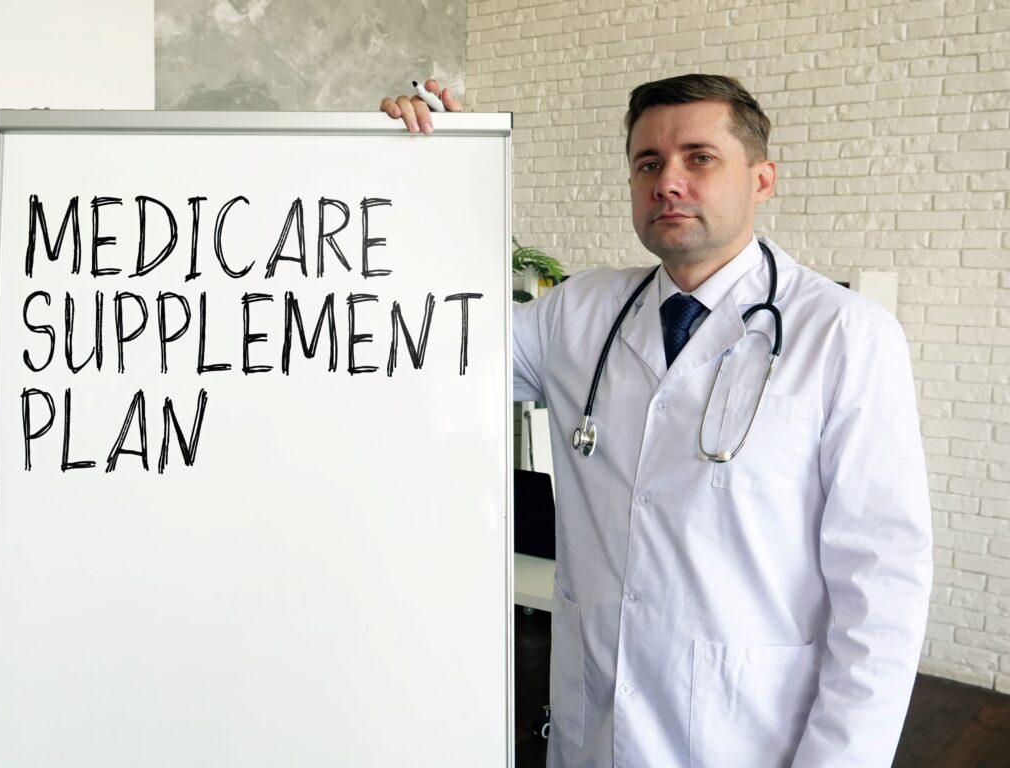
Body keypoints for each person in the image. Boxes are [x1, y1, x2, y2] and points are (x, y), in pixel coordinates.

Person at [383, 75, 932, 768]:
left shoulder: (847, 335)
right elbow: (431, 343)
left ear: (762, 179)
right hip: (595, 728)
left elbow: (881, 585)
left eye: (699, 158)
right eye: (648, 163)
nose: (668, 182)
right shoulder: (576, 313)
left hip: (751, 737)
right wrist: (423, 170)